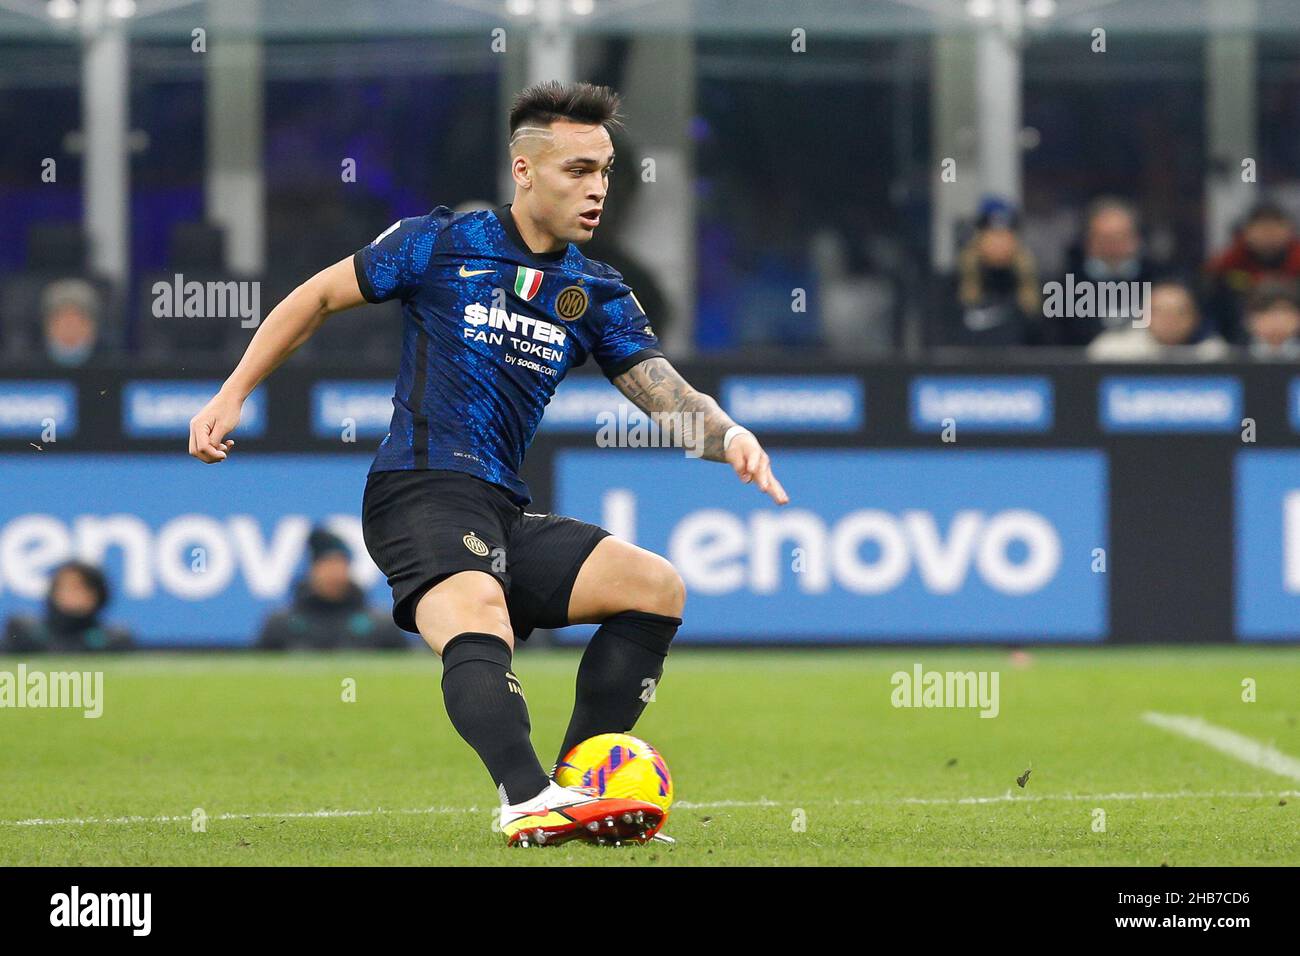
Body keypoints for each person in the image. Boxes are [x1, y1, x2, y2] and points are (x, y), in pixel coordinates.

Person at [187, 81, 788, 847]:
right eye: (577, 169)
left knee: (654, 588)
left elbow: (665, 394)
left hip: (501, 504)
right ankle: (523, 797)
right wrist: (234, 392)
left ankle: (578, 793)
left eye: (604, 170)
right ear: (525, 170)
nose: (598, 188)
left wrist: (730, 434)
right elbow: (315, 299)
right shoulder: (439, 243)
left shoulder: (596, 292)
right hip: (419, 489)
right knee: (478, 612)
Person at [256, 528, 410, 651]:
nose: (334, 573)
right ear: (312, 568)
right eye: (327, 564)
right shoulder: (281, 625)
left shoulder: (380, 625)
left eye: (340, 564)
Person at [1055, 197, 1164, 345]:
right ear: (1088, 241)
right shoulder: (1064, 288)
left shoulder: (1160, 281)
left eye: (1120, 237)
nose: (1113, 245)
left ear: (1136, 239)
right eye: (1105, 238)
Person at [1204, 200, 1300, 344]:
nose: (1268, 234)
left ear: (1289, 230)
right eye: (1261, 228)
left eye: (1275, 227)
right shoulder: (1228, 263)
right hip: (1237, 339)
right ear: (1246, 231)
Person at [948, 197, 1040, 346]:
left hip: (1019, 368)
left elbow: (1045, 351)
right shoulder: (955, 285)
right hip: (969, 368)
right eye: (993, 234)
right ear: (979, 238)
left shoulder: (1031, 288)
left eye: (1005, 235)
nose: (999, 242)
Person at [3, 560, 134, 653]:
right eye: (64, 587)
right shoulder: (25, 633)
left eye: (80, 588)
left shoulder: (112, 640)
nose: (71, 595)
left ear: (98, 594)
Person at [1086, 280, 1229, 361]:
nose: (1170, 320)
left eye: (1180, 312)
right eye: (1159, 312)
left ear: (1195, 318)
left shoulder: (1213, 354)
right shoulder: (1110, 350)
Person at [39, 278, 103, 367]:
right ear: (48, 326)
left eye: (78, 322)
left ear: (92, 327)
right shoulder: (26, 369)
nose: (70, 330)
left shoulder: (112, 367)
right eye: (63, 322)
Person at [1242, 279, 1300, 360]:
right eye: (1264, 311)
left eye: (1283, 310)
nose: (1275, 319)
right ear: (1249, 318)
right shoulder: (1230, 356)